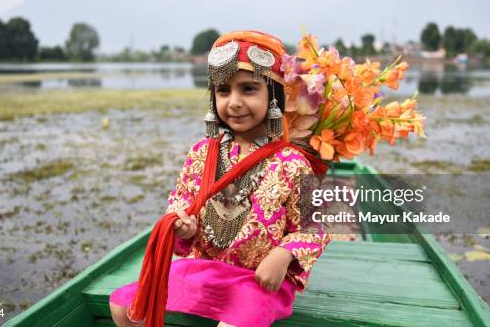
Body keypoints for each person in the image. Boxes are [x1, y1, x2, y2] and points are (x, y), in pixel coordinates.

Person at [109, 31, 330, 327]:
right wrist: (182, 226)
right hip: (205, 268)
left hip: (258, 279)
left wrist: (283, 254)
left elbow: (319, 223)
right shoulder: (202, 152)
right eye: (223, 90)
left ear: (273, 96)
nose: (234, 102)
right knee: (123, 305)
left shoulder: (291, 161)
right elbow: (180, 202)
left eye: (249, 89)